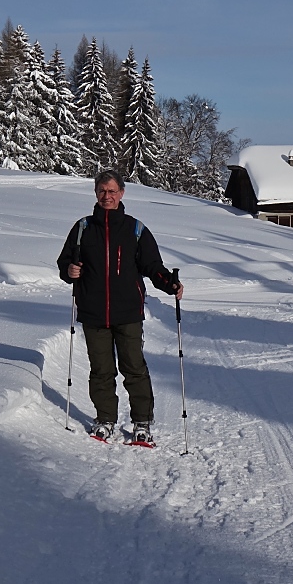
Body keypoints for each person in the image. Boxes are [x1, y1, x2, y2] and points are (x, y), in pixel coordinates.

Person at [57, 170, 183, 444]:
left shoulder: (135, 229)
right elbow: (64, 264)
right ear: (95, 193)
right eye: (102, 191)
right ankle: (105, 420)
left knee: (134, 368)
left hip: (127, 312)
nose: (107, 196)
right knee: (101, 370)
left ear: (122, 193)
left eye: (112, 191)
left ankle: (142, 423)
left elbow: (152, 266)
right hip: (93, 311)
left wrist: (169, 284)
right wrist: (70, 270)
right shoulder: (82, 228)